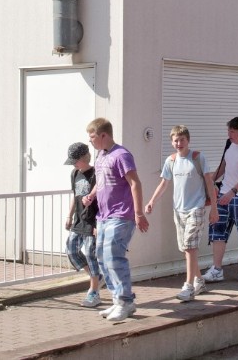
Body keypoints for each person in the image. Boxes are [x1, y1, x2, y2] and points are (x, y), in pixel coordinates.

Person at [82, 118, 148, 323]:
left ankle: (126, 301)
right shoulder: (101, 156)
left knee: (113, 255)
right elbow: (101, 182)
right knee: (101, 256)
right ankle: (118, 299)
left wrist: (139, 214)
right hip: (103, 216)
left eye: (92, 137)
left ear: (104, 135)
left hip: (121, 216)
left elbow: (135, 183)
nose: (90, 141)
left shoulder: (122, 155)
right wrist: (92, 195)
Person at [144, 125, 217, 302]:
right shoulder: (171, 161)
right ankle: (199, 280)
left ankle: (189, 286)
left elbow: (209, 183)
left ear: (188, 140)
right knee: (187, 249)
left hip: (196, 208)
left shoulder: (198, 158)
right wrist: (152, 201)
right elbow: (164, 184)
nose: (178, 143)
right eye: (175, 140)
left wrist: (214, 208)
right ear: (172, 142)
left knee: (190, 247)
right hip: (179, 210)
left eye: (182, 139)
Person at [204, 116, 238, 284]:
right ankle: (217, 269)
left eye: (232, 131)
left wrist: (232, 192)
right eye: (228, 131)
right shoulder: (229, 145)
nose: (229, 134)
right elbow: (223, 167)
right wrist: (210, 182)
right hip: (223, 195)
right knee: (217, 230)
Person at [63, 142, 103, 308]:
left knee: (91, 255)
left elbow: (101, 201)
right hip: (79, 220)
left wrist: (97, 224)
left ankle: (94, 292)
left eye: (75, 161)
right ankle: (96, 278)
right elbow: (75, 195)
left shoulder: (96, 174)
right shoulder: (74, 174)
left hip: (92, 221)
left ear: (84, 158)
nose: (73, 164)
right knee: (71, 250)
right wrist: (69, 215)